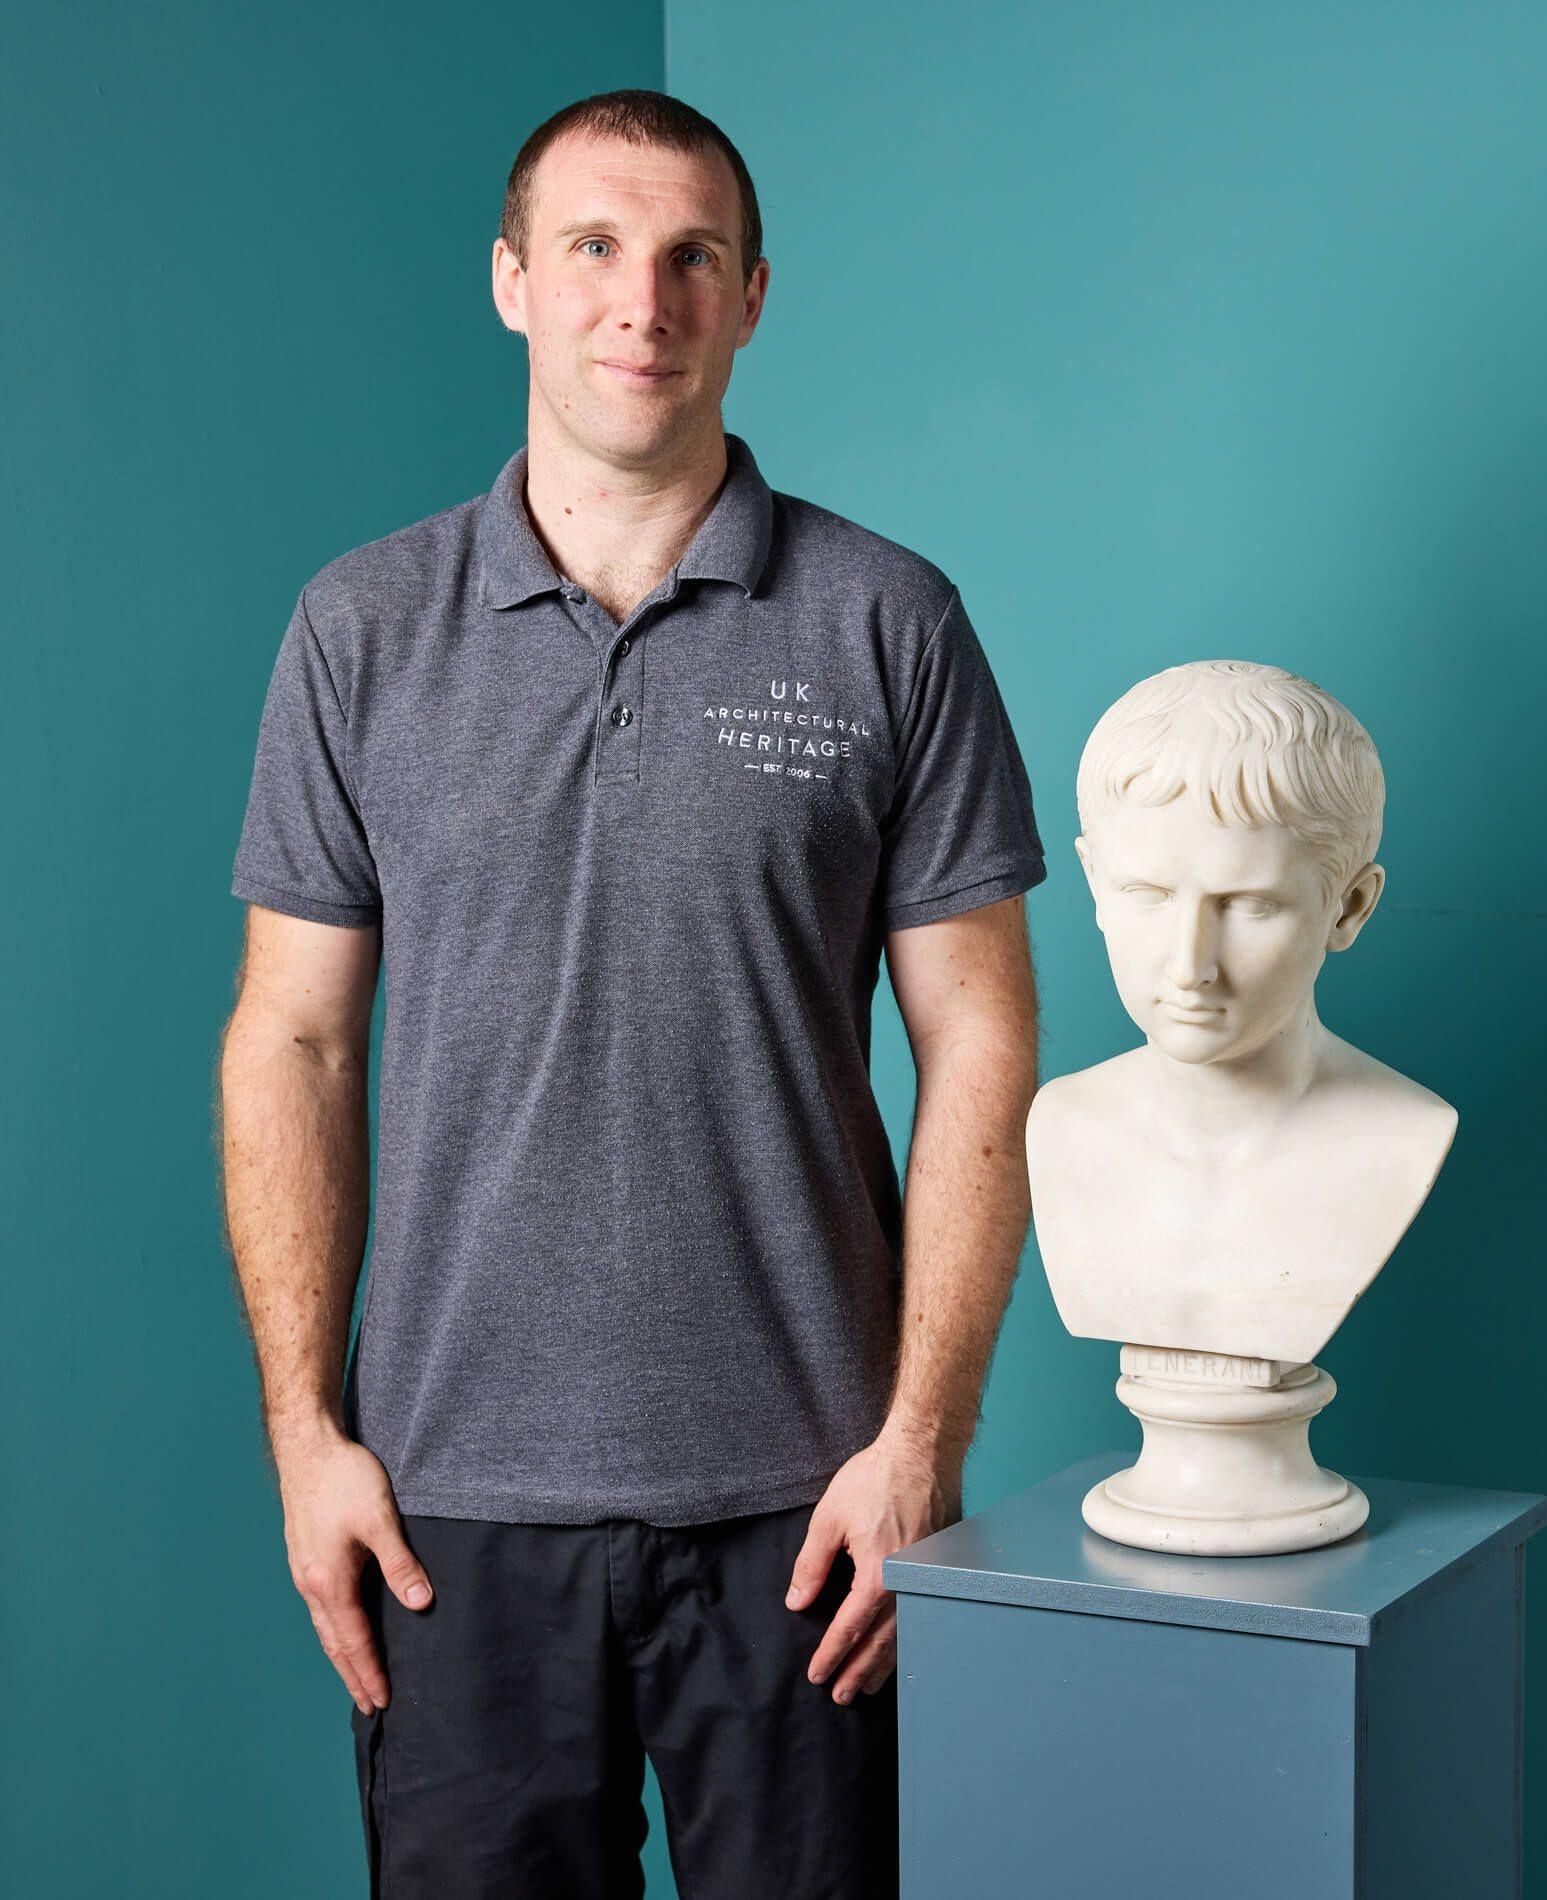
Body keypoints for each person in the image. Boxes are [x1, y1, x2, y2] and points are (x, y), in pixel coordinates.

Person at [217, 87, 1045, 1898]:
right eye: (593, 248)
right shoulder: (360, 630)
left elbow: (981, 1039)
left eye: (688, 260)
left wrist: (923, 1445)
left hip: (811, 1517)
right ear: (512, 282)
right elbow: (294, 1036)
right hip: (449, 1513)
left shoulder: (891, 623)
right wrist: (305, 1443)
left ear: (754, 296)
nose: (640, 304)